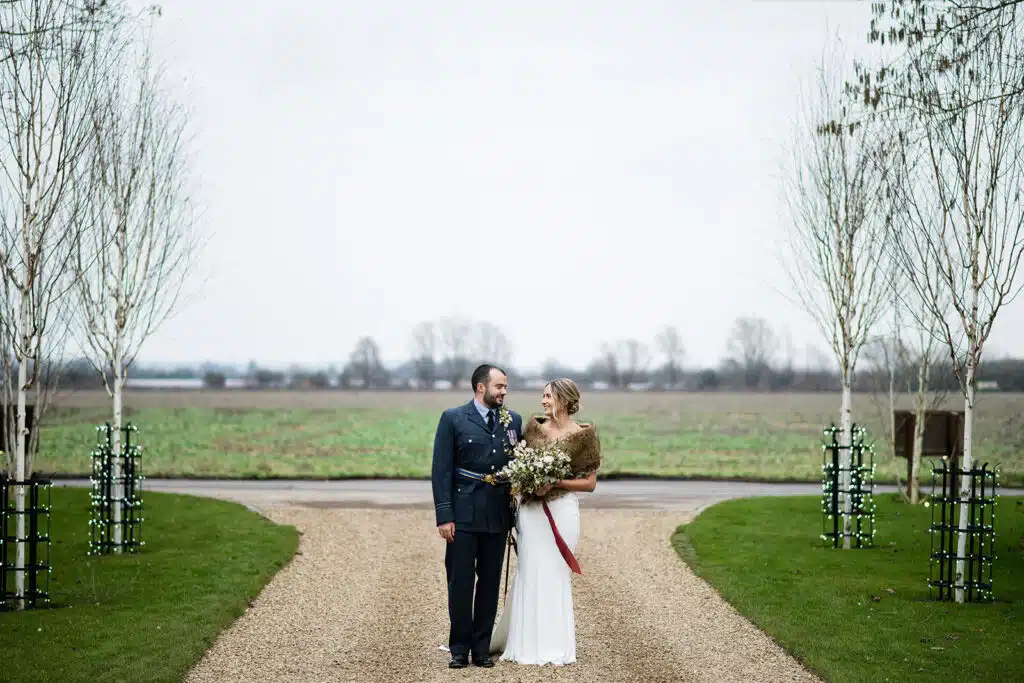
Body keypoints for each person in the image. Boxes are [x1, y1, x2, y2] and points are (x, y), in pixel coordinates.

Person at [490, 377, 601, 666]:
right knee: (530, 571)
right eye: (543, 396)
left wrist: (555, 483)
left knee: (554, 573)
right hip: (530, 512)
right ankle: (523, 646)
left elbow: (589, 483)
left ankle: (555, 647)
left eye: (548, 396)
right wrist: (525, 481)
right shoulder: (533, 429)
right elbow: (520, 464)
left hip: (562, 512)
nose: (543, 401)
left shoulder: (584, 435)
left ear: (564, 399)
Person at [431, 363, 524, 669]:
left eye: (506, 387)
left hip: (497, 515)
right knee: (460, 582)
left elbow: (517, 467)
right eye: (500, 387)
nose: (504, 392)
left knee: (489, 583)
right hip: (463, 512)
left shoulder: (513, 421)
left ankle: (481, 648)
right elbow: (441, 471)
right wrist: (444, 516)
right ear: (481, 387)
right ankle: (459, 648)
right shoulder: (453, 419)